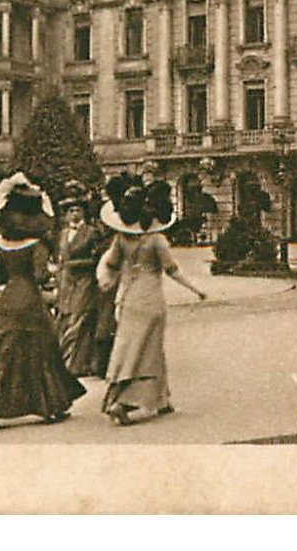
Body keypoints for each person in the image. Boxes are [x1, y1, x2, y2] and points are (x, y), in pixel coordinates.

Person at [0, 174, 86, 430]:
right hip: (29, 297)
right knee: (41, 350)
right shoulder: (36, 243)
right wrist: (53, 271)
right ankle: (50, 405)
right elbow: (39, 275)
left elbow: (0, 276)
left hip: (7, 298)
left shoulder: (1, 243)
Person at [98, 180, 206, 425]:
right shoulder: (157, 240)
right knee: (149, 351)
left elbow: (111, 266)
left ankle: (161, 399)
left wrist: (107, 284)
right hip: (151, 301)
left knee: (129, 349)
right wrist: (197, 289)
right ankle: (125, 403)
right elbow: (173, 270)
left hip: (128, 300)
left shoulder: (121, 239)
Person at [54, 187, 108, 377]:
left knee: (80, 319)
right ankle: (64, 361)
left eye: (78, 210)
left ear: (84, 212)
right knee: (65, 317)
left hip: (85, 281)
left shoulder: (92, 232)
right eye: (70, 211)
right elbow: (60, 258)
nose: (74, 214)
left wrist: (74, 264)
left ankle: (78, 364)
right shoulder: (62, 234)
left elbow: (98, 259)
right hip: (66, 282)